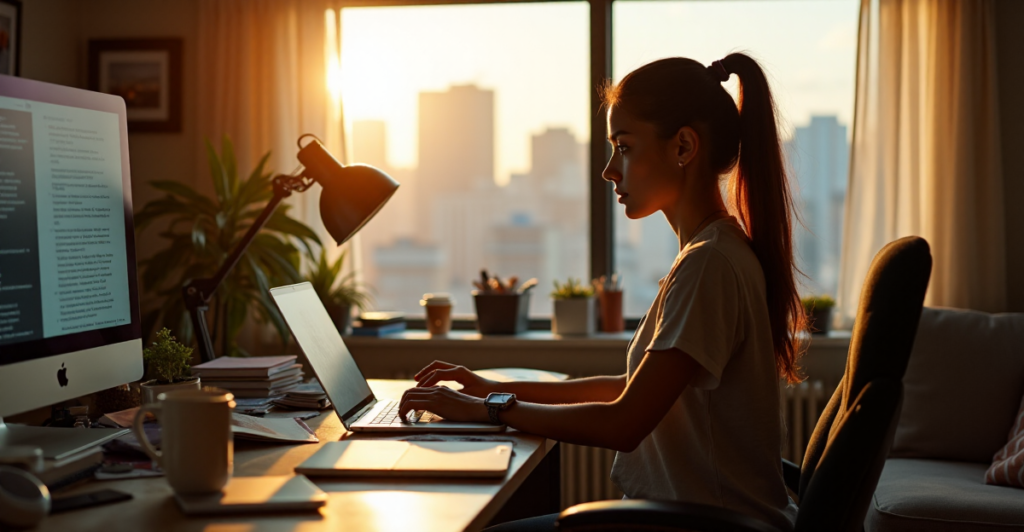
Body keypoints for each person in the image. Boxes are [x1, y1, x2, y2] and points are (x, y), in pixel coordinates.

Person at [397, 53, 806, 532]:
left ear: (683, 147)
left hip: (705, 525)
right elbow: (632, 391)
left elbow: (624, 423)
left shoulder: (709, 263)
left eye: (624, 148)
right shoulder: (712, 251)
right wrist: (492, 390)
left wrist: (489, 410)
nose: (610, 170)